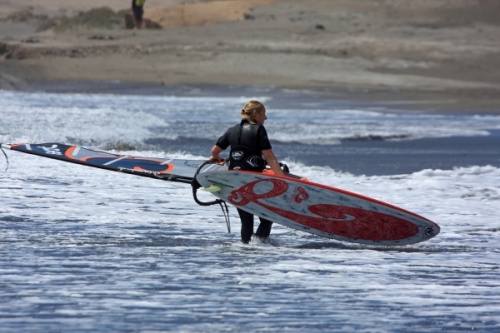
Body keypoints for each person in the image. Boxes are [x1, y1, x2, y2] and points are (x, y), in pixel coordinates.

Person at [210, 100, 285, 244]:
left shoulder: (232, 129)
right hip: (253, 181)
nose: (266, 118)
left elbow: (214, 151)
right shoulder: (258, 129)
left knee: (246, 222)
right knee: (267, 218)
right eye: (264, 114)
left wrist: (218, 160)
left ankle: (245, 250)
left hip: (235, 181)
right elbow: (269, 157)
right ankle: (260, 247)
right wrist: (283, 180)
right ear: (255, 114)